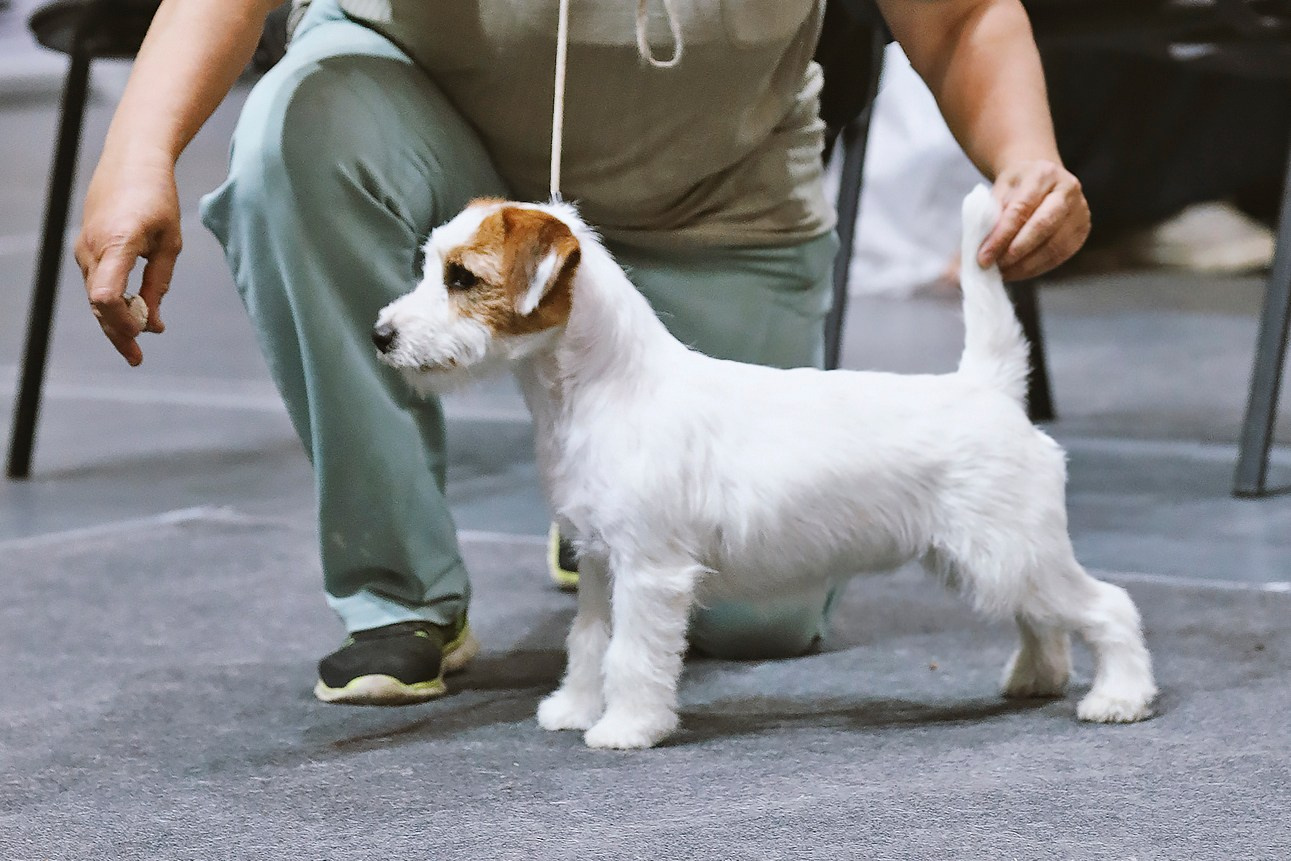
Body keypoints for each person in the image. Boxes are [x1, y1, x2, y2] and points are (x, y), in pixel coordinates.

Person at [75, 0, 1090, 705]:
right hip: (436, 139)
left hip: (716, 199)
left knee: (751, 623)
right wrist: (136, 152)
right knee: (286, 143)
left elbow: (958, 18)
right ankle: (398, 592)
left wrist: (1027, 161)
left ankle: (602, 511)